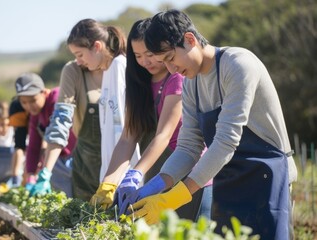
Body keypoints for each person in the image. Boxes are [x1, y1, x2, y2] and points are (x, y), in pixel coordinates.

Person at [127, 9, 298, 240]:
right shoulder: (191, 85)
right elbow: (188, 148)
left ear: (190, 40)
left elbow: (226, 141)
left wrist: (175, 197)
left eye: (170, 58)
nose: (171, 69)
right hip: (227, 181)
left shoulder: (238, 65)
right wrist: (154, 186)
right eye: (163, 63)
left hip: (267, 178)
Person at [93, 19, 212, 221]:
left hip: (188, 175)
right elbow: (128, 137)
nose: (145, 62)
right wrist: (108, 183)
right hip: (155, 175)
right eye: (138, 56)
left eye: (150, 55)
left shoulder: (177, 78)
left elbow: (163, 135)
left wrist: (136, 172)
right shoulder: (139, 83)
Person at [33, 18, 140, 201]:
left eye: (80, 54)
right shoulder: (74, 71)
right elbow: (61, 120)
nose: (78, 61)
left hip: (121, 159)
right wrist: (46, 172)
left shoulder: (118, 68)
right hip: (88, 162)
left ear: (97, 46)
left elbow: (128, 127)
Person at [15, 72, 76, 197]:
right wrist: (31, 174)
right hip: (59, 160)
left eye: (33, 100)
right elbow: (33, 145)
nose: (29, 106)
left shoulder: (57, 98)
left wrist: (45, 172)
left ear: (43, 92)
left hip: (77, 155)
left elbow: (58, 131)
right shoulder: (35, 114)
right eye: (24, 102)